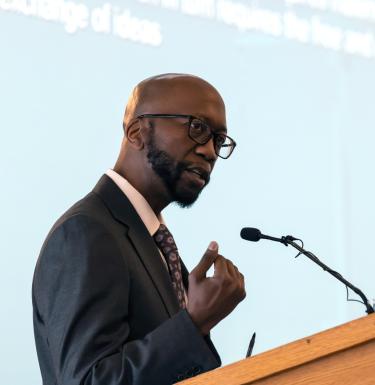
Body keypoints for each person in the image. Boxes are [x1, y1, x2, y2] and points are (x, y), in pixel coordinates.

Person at [32, 73, 246, 385]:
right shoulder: (86, 232)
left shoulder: (153, 242)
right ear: (136, 132)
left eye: (218, 140)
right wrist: (193, 323)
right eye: (198, 129)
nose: (210, 152)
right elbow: (89, 380)